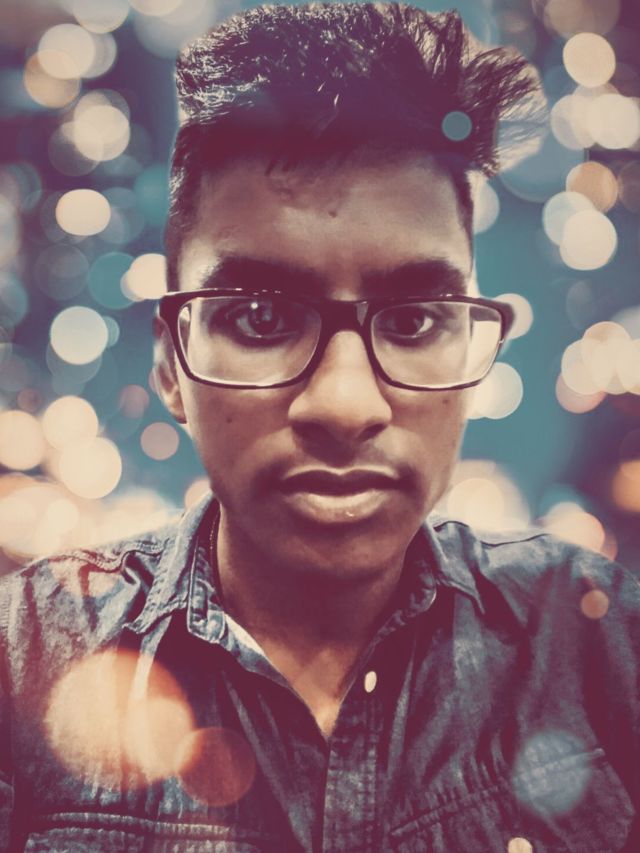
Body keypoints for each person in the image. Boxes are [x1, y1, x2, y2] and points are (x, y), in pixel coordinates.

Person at [1, 3, 638, 851]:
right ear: (171, 363)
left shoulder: (602, 642)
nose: (345, 407)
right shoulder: (24, 658)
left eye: (414, 321)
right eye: (261, 317)